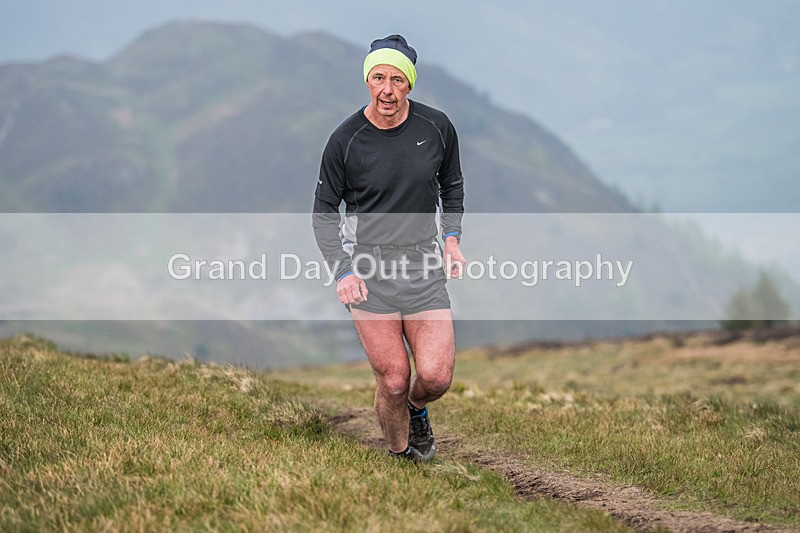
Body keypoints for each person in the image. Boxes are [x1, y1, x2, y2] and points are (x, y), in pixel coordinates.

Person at [312, 34, 466, 462]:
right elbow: (324, 210)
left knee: (434, 377)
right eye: (378, 77)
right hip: (368, 274)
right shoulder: (346, 140)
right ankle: (401, 459)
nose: (386, 89)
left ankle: (417, 411)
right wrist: (342, 271)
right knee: (394, 379)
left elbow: (451, 186)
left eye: (397, 80)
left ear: (409, 86)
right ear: (366, 80)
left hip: (423, 268)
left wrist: (451, 239)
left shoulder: (436, 127)